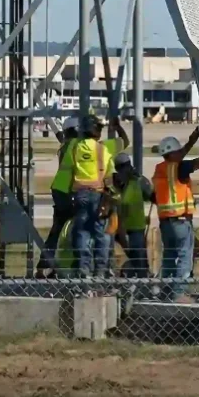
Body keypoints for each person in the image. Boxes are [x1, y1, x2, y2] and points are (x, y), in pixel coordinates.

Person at [153, 127, 199, 302]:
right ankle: (178, 293)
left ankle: (166, 292)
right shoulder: (180, 168)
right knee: (185, 256)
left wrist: (193, 138)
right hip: (180, 221)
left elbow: (181, 154)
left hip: (165, 222)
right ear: (171, 154)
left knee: (169, 256)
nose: (180, 153)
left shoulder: (161, 169)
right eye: (177, 151)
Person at [69, 115, 129, 279]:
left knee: (82, 232)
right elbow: (124, 142)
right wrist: (117, 127)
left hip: (80, 194)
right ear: (96, 131)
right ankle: (101, 270)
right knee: (101, 233)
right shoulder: (104, 148)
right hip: (98, 194)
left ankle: (84, 269)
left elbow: (70, 168)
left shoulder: (75, 147)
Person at [40, 116, 78, 275]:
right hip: (69, 192)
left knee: (58, 229)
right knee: (78, 229)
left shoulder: (66, 145)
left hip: (60, 191)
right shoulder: (77, 145)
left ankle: (45, 265)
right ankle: (71, 266)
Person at [108, 152, 154, 278]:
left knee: (139, 257)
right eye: (121, 168)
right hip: (120, 226)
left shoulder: (138, 181)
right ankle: (140, 277)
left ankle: (144, 278)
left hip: (136, 227)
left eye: (125, 167)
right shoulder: (117, 182)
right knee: (134, 256)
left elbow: (151, 195)